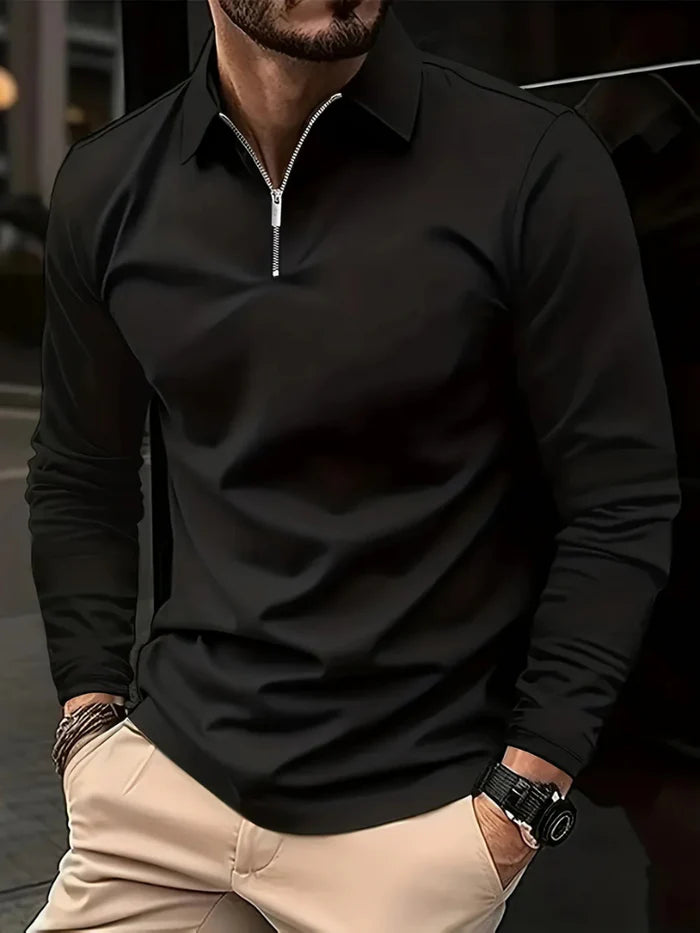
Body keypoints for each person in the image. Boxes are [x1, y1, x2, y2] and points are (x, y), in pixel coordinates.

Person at [25, 1, 679, 931]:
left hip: (411, 831)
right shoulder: (111, 181)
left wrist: (523, 796)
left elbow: (621, 501)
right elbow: (81, 475)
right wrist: (89, 727)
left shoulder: (530, 163)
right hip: (164, 793)